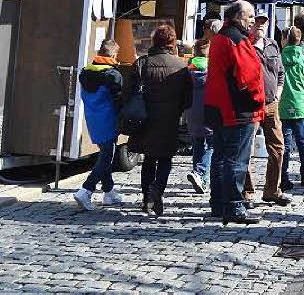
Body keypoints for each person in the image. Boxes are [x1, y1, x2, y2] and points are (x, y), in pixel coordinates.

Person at [204, 0, 266, 225]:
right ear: (239, 16)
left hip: (219, 106)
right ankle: (234, 206)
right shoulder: (236, 40)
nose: (253, 20)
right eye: (250, 16)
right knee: (236, 159)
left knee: (221, 156)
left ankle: (219, 203)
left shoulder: (221, 37)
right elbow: (248, 77)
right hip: (236, 109)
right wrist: (258, 102)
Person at [131, 24, 191, 217]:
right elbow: (188, 99)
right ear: (172, 43)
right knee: (165, 159)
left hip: (146, 119)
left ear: (154, 41)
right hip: (170, 119)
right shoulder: (182, 66)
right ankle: (157, 191)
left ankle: (146, 197)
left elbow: (129, 93)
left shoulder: (142, 63)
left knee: (148, 159)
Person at [242, 15, 291, 207]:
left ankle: (272, 190)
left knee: (278, 148)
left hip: (271, 104)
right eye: (256, 22)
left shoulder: (272, 45)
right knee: (246, 149)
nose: (260, 25)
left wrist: (278, 94)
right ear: (250, 25)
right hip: (250, 105)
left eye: (264, 22)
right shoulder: (244, 45)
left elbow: (280, 73)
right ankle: (247, 192)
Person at [74, 37, 125, 211]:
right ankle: (86, 190)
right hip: (109, 119)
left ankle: (109, 192)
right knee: (106, 157)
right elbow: (119, 101)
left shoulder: (85, 72)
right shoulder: (113, 75)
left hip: (93, 118)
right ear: (114, 55)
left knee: (105, 153)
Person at [279, 26, 304, 192]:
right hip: (300, 105)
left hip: (282, 106)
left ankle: (283, 178)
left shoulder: (279, 58)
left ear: (285, 40)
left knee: (284, 144)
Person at [185, 34, 214, 194]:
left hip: (192, 114)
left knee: (197, 145)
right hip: (209, 112)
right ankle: (200, 173)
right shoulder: (213, 69)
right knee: (211, 145)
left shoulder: (188, 70)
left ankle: (202, 180)